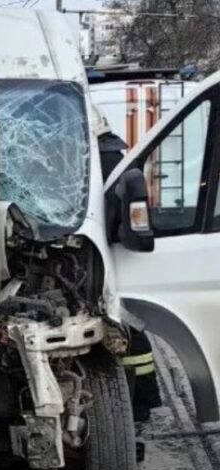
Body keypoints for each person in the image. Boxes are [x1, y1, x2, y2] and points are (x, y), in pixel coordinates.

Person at [95, 103, 162, 422]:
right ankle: (139, 406)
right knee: (130, 329)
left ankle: (134, 407)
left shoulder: (103, 161)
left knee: (125, 332)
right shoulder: (113, 157)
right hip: (114, 253)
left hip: (107, 258)